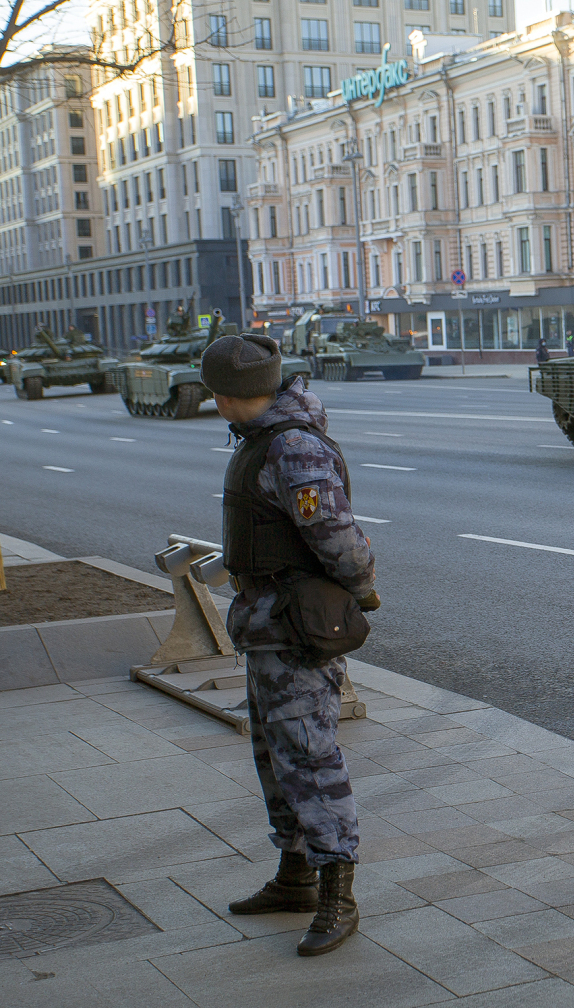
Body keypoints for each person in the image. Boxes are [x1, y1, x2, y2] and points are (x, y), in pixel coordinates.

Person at [204, 335, 378, 958]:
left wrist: (360, 588)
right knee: (275, 755)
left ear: (228, 395)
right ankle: (295, 875)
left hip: (295, 626)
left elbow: (338, 537)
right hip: (268, 624)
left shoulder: (292, 447)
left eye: (216, 392)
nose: (215, 402)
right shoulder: (261, 438)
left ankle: (338, 894)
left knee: (309, 756)